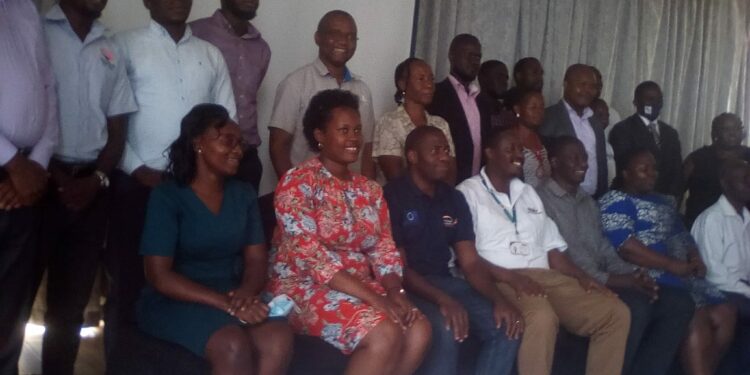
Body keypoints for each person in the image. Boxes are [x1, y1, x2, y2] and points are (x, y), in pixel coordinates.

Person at [268, 90, 431, 375]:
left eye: (357, 130)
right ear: (319, 135)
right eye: (343, 130)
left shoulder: (369, 189)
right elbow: (312, 258)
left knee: (419, 328)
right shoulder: (298, 182)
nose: (354, 138)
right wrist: (376, 299)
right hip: (303, 286)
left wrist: (395, 291)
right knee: (385, 332)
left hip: (360, 285)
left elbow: (383, 247)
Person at [109, 0, 236, 356]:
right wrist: (137, 168)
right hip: (138, 184)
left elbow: (226, 121)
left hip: (195, 190)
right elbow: (112, 114)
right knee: (130, 284)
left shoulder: (210, 54)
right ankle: (121, 363)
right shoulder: (125, 44)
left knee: (186, 281)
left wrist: (205, 176)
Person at [457, 126, 630, 375]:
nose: (518, 154)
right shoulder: (467, 193)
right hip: (500, 276)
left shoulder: (528, 193)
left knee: (615, 312)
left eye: (520, 149)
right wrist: (512, 277)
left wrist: (583, 277)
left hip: (546, 276)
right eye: (510, 149)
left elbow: (553, 251)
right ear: (489, 153)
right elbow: (468, 260)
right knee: (542, 318)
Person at [138, 104, 293, 374]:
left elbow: (256, 258)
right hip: (177, 300)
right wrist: (227, 304)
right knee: (232, 343)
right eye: (228, 141)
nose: (238, 150)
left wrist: (246, 293)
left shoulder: (243, 194)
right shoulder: (167, 196)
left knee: (278, 337)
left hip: (232, 292)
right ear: (198, 143)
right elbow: (158, 275)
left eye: (240, 143)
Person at [538, 136, 695, 375]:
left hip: (599, 276)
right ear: (555, 162)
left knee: (678, 303)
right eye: (575, 158)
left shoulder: (587, 202)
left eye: (585, 157)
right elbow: (566, 260)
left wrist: (635, 274)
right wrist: (620, 281)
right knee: (637, 306)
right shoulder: (540, 200)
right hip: (569, 280)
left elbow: (603, 247)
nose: (584, 163)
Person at [39, 0, 137, 373]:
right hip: (40, 183)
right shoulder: (38, 32)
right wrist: (53, 176)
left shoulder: (110, 45)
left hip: (93, 190)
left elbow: (117, 126)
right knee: (14, 295)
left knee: (70, 305)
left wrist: (96, 180)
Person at [384, 126, 521, 375]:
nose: (445, 157)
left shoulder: (453, 198)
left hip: (444, 282)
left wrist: (500, 300)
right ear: (412, 157)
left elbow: (470, 263)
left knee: (507, 324)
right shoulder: (392, 196)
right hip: (407, 286)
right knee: (447, 326)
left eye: (446, 150)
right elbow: (397, 268)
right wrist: (443, 300)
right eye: (435, 151)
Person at [600, 149, 737, 375]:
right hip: (647, 273)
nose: (652, 173)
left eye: (653, 168)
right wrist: (672, 265)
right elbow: (626, 246)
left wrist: (695, 257)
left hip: (681, 274)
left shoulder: (662, 202)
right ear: (625, 173)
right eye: (643, 169)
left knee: (726, 312)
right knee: (697, 314)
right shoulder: (616, 199)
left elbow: (681, 235)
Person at [0, 0, 59, 372]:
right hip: (12, 165)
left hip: (28, 175)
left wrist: (36, 163)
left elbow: (48, 89)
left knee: (11, 305)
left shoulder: (25, 9)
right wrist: (12, 161)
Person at [268, 10, 376, 180]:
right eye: (335, 34)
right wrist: (294, 191)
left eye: (351, 36)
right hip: (307, 194)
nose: (344, 41)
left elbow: (368, 148)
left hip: (352, 197)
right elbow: (277, 145)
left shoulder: (362, 90)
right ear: (318, 38)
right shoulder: (296, 83)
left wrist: (368, 193)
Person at [191, 0, 271, 191]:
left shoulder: (261, 48)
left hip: (246, 154)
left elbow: (249, 97)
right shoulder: (196, 33)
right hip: (204, 156)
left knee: (244, 219)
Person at [692, 158, 750, 370]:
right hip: (718, 290)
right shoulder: (712, 219)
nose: (749, 183)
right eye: (744, 179)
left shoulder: (746, 217)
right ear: (725, 184)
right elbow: (714, 275)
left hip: (741, 288)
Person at [373, 57, 456, 182]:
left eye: (431, 79)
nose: (429, 85)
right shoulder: (389, 122)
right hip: (402, 199)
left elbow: (450, 171)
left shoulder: (440, 124)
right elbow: (395, 177)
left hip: (439, 198)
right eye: (421, 79)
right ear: (402, 84)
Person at [428, 34, 491, 183]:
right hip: (446, 186)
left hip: (478, 188)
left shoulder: (482, 100)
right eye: (469, 55)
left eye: (478, 57)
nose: (475, 62)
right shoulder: (436, 95)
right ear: (452, 56)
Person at [539, 64, 607, 197]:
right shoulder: (549, 117)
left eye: (592, 87)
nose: (587, 90)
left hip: (592, 201)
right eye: (582, 84)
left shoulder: (595, 121)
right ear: (566, 84)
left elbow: (601, 163)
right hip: (559, 200)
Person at [609, 81, 683, 201]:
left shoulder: (671, 133)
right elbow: (623, 168)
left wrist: (673, 197)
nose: (654, 104)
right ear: (635, 102)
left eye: (658, 100)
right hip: (634, 198)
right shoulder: (622, 130)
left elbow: (677, 171)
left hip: (665, 200)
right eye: (649, 99)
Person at [683, 113, 750, 228]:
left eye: (737, 128)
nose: (733, 133)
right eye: (726, 129)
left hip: (743, 226)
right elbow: (677, 192)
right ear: (715, 133)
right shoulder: (697, 159)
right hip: (702, 224)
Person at [513, 90, 550, 187]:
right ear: (517, 110)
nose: (539, 112)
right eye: (533, 107)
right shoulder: (511, 142)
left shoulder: (544, 141)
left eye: (542, 107)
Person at [477, 60, 516, 129]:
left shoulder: (503, 107)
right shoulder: (474, 107)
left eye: (506, 78)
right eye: (499, 77)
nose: (504, 82)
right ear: (483, 78)